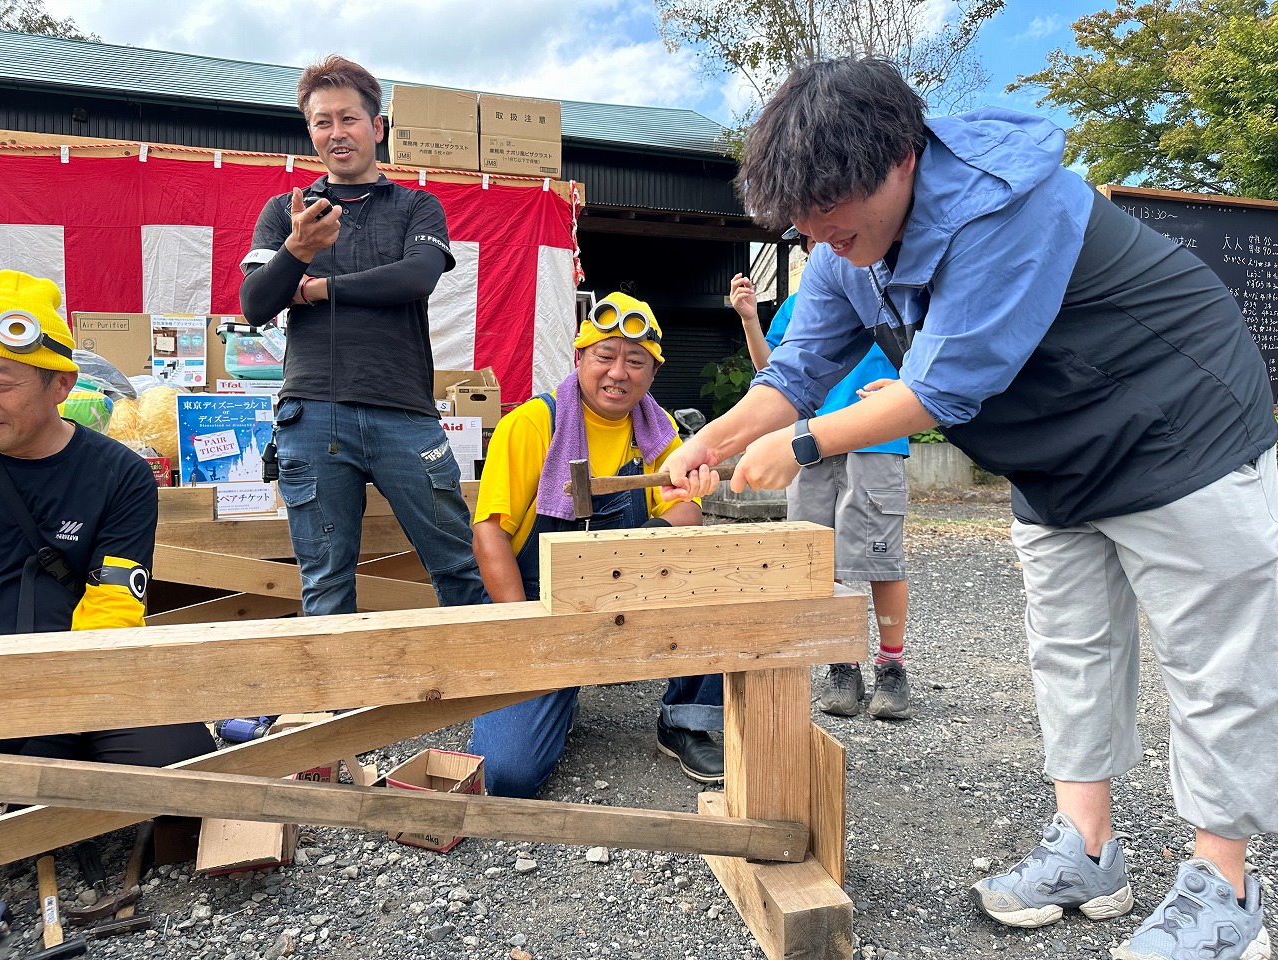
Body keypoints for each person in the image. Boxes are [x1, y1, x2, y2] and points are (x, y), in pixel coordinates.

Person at [665, 56, 1276, 960]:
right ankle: (1088, 850)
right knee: (1068, 648)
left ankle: (1225, 892)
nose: (820, 231)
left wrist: (797, 448)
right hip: (1055, 456)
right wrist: (711, 441)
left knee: (1212, 658)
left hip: (1179, 428)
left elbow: (943, 388)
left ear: (903, 158)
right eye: (802, 218)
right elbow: (796, 373)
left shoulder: (1007, 204)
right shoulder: (845, 251)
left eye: (833, 205)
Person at [239, 54, 484, 615]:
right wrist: (297, 251)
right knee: (324, 581)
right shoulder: (287, 212)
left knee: (456, 565)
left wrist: (315, 288)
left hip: (403, 409)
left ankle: (483, 700)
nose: (335, 132)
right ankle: (332, 705)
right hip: (312, 411)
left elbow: (415, 278)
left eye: (348, 118)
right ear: (310, 132)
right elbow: (255, 304)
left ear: (377, 128)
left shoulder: (417, 205)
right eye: (322, 121)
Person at [468, 292, 724, 798]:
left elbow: (685, 512)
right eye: (605, 356)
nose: (618, 373)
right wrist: (524, 629)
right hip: (537, 606)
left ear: (652, 374)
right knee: (508, 777)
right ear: (579, 359)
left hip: (623, 598)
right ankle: (558, 690)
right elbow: (489, 532)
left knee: (715, 570)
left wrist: (653, 540)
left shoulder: (661, 431)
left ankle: (685, 720)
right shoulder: (532, 425)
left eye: (636, 361)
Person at [0, 269, 215, 767]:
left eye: (2, 384)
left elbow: (114, 601)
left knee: (181, 758)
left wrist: (58, 711)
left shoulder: (120, 474)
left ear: (62, 384)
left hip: (81, 671)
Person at [731, 232, 913, 720]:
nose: (821, 245)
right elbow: (776, 371)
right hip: (806, 443)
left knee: (879, 557)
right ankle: (841, 663)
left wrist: (905, 386)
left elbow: (935, 356)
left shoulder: (898, 290)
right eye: (811, 240)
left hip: (875, 436)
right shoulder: (797, 304)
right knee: (816, 556)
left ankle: (891, 667)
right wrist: (750, 319)